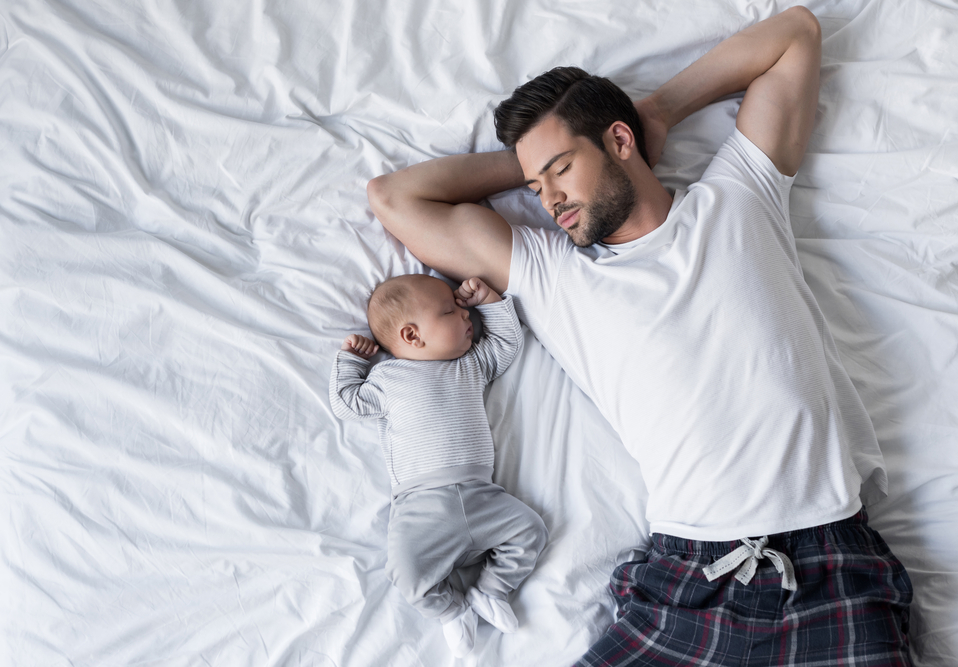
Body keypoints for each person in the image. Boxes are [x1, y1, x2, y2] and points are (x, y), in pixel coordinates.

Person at [366, 6, 912, 666]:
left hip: (831, 569)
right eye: (537, 186)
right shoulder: (553, 272)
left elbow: (796, 34)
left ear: (619, 140)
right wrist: (536, 160)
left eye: (561, 169)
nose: (549, 199)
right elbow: (393, 197)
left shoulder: (740, 196)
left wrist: (656, 110)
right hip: (690, 582)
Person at [329, 274, 547, 658]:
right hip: (422, 505)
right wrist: (352, 359)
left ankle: (491, 590)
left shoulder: (470, 363)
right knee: (405, 571)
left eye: (462, 308)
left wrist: (488, 301)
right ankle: (450, 611)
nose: (464, 314)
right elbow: (348, 402)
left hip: (483, 496)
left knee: (531, 530)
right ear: (412, 335)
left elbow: (506, 342)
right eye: (450, 310)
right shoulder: (387, 378)